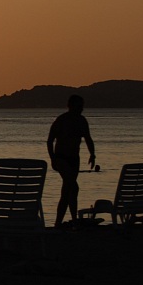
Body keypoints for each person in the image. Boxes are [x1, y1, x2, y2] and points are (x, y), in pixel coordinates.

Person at [47, 94, 96, 227]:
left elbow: (88, 138)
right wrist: (53, 158)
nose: (81, 109)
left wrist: (92, 154)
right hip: (61, 158)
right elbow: (50, 140)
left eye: (82, 106)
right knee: (72, 186)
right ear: (71, 106)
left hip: (74, 158)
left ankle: (72, 220)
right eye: (78, 106)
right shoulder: (62, 120)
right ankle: (60, 221)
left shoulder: (81, 121)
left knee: (69, 190)